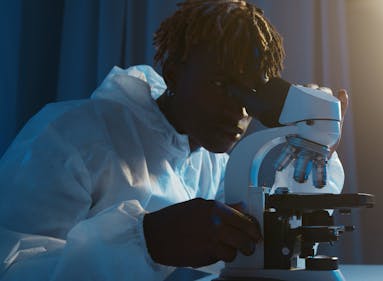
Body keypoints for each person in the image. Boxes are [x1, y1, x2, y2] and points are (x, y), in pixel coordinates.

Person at [0, 0, 348, 280]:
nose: (238, 108)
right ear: (173, 73)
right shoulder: (69, 135)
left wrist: (313, 145)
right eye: (220, 84)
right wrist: (148, 242)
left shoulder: (213, 162)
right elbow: (12, 269)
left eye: (252, 91)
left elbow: (261, 248)